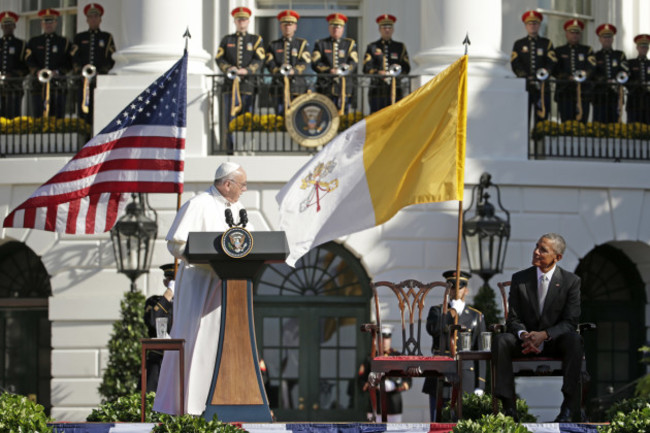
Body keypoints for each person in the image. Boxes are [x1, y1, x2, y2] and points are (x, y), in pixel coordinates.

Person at [153, 162, 250, 415]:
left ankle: (226, 403)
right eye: (242, 185)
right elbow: (175, 244)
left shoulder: (239, 209)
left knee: (222, 343)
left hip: (228, 286)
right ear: (227, 184)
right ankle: (189, 407)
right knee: (198, 339)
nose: (244, 189)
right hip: (199, 282)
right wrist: (206, 256)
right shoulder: (198, 204)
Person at [492, 233, 582, 423]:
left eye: (543, 250)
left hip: (554, 342)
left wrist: (545, 335)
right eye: (536, 247)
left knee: (574, 339)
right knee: (501, 340)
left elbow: (570, 321)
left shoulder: (571, 281)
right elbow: (513, 319)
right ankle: (509, 408)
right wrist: (525, 335)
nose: (536, 252)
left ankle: (568, 408)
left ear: (557, 257)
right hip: (524, 342)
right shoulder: (520, 279)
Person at [422, 270, 486, 421]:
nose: (456, 290)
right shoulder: (437, 311)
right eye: (451, 287)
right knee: (439, 423)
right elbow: (433, 330)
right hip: (441, 376)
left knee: (464, 424)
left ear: (466, 290)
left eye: (460, 286)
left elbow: (481, 352)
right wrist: (450, 313)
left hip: (466, 378)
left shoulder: (476, 316)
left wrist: (480, 384)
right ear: (447, 289)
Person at [216, 7, 264, 153]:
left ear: (248, 21)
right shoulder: (227, 40)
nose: (241, 22)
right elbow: (219, 58)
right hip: (230, 86)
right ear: (235, 21)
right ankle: (230, 148)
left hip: (248, 86)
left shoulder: (255, 40)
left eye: (244, 19)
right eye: (239, 19)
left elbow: (259, 59)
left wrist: (247, 70)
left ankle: (245, 148)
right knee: (230, 119)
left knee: (247, 118)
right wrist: (228, 68)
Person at [71, 3, 116, 122]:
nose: (93, 19)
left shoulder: (106, 37)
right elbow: (75, 57)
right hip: (83, 80)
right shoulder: (80, 37)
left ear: (100, 19)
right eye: (91, 17)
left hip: (100, 80)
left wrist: (101, 72)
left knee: (99, 109)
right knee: (83, 108)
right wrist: (80, 70)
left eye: (96, 16)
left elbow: (111, 58)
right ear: (87, 20)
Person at [510, 10, 557, 125]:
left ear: (539, 25)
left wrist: (545, 73)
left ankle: (539, 142)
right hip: (525, 87)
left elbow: (552, 61)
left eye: (535, 24)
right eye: (530, 24)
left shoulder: (546, 43)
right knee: (522, 120)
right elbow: (515, 62)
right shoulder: (519, 44)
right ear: (526, 26)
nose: (532, 26)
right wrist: (525, 76)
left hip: (542, 88)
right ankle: (523, 143)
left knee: (542, 120)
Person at [358, 325, 411, 422]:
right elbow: (361, 381)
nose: (385, 341)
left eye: (387, 338)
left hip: (393, 405)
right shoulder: (371, 357)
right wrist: (372, 384)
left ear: (390, 339)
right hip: (375, 405)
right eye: (382, 338)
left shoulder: (398, 357)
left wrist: (395, 385)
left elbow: (407, 380)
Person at [25, 8, 72, 118]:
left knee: (58, 115)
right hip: (38, 85)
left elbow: (69, 62)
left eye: (51, 22)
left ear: (56, 23)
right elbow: (29, 60)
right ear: (42, 24)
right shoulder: (34, 41)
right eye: (45, 22)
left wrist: (58, 72)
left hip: (58, 84)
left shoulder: (63, 42)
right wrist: (37, 71)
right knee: (38, 114)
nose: (48, 25)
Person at [265, 9, 311, 116]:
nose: (287, 27)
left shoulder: (301, 44)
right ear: (281, 26)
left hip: (297, 87)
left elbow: (305, 61)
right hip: (279, 86)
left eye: (290, 24)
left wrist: (293, 71)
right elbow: (269, 62)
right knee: (280, 116)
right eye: (284, 24)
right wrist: (279, 70)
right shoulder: (273, 45)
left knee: (297, 116)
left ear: (295, 27)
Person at [363, 14, 411, 113]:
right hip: (377, 90)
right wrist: (378, 73)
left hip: (395, 89)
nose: (387, 30)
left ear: (393, 30)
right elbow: (366, 68)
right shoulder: (372, 47)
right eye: (384, 27)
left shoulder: (400, 47)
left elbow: (407, 67)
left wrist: (398, 71)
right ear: (379, 29)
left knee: (395, 117)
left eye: (389, 27)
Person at [312, 13, 358, 114]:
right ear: (329, 28)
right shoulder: (321, 44)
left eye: (339, 27)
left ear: (343, 29)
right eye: (333, 27)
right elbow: (315, 63)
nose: (336, 29)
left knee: (344, 116)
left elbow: (353, 62)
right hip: (325, 87)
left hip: (344, 87)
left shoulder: (349, 44)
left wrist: (343, 71)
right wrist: (329, 70)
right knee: (325, 115)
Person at [553, 19, 595, 123]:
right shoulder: (559, 51)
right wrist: (567, 77)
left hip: (583, 93)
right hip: (565, 92)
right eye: (572, 33)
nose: (574, 35)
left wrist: (582, 76)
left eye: (577, 33)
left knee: (582, 123)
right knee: (566, 123)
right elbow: (554, 69)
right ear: (566, 34)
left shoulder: (587, 50)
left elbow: (591, 66)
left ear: (580, 35)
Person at [143, 263, 175, 393]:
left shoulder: (187, 302)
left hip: (180, 359)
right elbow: (152, 321)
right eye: (171, 280)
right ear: (165, 282)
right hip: (159, 362)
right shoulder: (154, 302)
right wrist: (169, 294)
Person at [592, 24, 628, 123]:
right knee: (599, 124)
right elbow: (592, 73)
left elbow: (625, 71)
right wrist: (602, 80)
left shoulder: (619, 55)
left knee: (615, 124)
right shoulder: (595, 56)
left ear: (612, 39)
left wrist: (616, 80)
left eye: (609, 37)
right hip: (599, 96)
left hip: (615, 95)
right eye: (604, 37)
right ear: (600, 39)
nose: (607, 39)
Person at [0, 11, 28, 119]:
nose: (7, 27)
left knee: (14, 113)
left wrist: (14, 75)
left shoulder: (21, 44)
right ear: (2, 26)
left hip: (14, 85)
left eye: (10, 25)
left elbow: (26, 66)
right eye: (5, 25)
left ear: (14, 26)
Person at [626, 34, 650, 124]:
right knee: (633, 125)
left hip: (648, 100)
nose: (644, 49)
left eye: (646, 47)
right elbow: (626, 79)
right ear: (637, 48)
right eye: (642, 47)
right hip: (634, 99)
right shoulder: (630, 63)